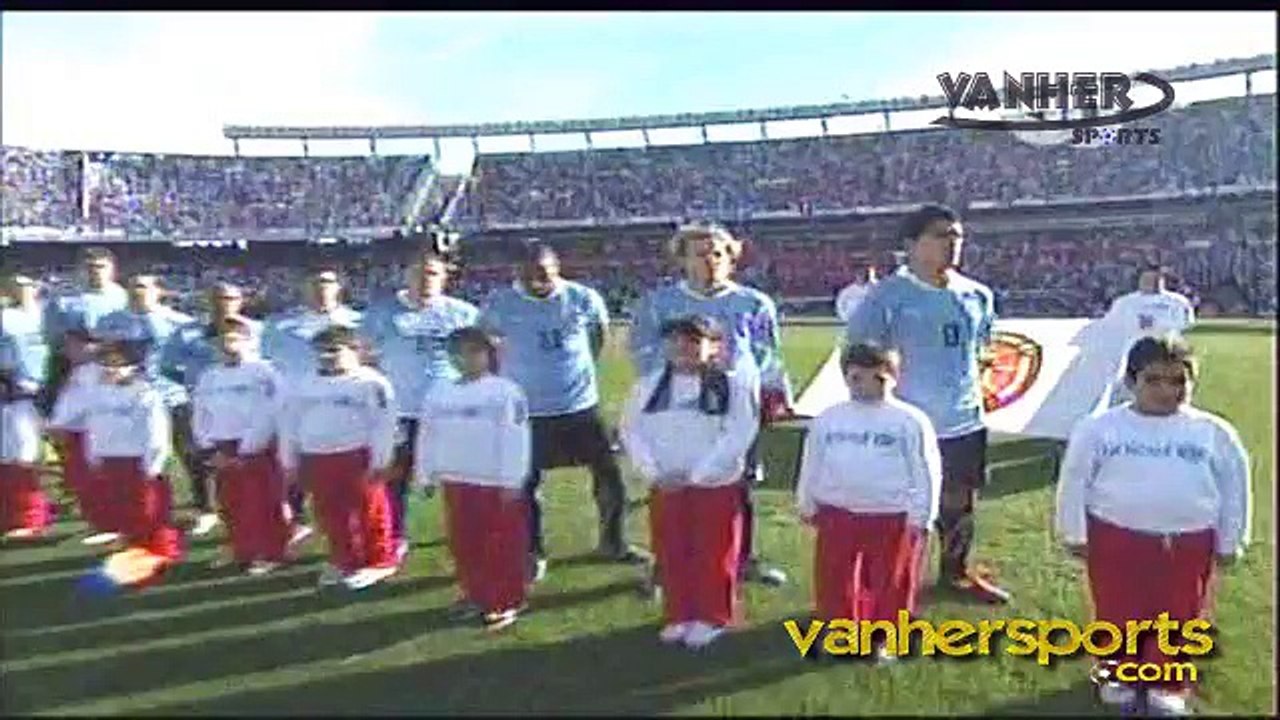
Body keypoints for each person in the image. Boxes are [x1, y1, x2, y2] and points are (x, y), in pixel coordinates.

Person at [1055, 336, 1251, 716]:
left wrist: (1232, 539)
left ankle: (1167, 681)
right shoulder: (1099, 428)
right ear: (1131, 381)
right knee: (1117, 607)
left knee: (1180, 610)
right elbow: (1075, 481)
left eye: (1178, 381)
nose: (1167, 391)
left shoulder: (1213, 432)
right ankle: (1119, 674)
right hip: (1115, 536)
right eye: (1154, 380)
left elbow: (1235, 488)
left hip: (1189, 541)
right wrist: (1074, 531)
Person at [845, 203, 1010, 604]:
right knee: (900, 504)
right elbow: (858, 356)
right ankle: (889, 581)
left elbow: (980, 349)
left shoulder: (977, 295)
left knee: (959, 502)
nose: (951, 244)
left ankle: (955, 574)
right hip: (905, 421)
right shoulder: (886, 297)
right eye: (940, 235)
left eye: (956, 236)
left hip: (963, 419)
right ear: (911, 244)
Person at [629, 223, 792, 589]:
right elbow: (641, 350)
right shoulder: (659, 303)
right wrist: (675, 377)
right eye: (700, 254)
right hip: (678, 406)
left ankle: (740, 558)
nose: (709, 261)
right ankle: (667, 562)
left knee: (735, 482)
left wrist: (774, 393)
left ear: (731, 259)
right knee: (672, 483)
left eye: (718, 253)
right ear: (682, 260)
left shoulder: (754, 302)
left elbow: (768, 354)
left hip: (735, 406)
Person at [478, 240, 644, 584]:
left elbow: (597, 337)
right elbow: (485, 344)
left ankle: (613, 541)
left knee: (609, 475)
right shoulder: (499, 303)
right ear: (516, 273)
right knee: (525, 483)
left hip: (579, 406)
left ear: (556, 267)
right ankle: (532, 551)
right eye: (527, 273)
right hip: (528, 411)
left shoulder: (583, 298)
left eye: (543, 272)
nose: (536, 279)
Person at [795, 343, 942, 664]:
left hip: (891, 514)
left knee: (890, 580)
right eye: (857, 377)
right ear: (846, 377)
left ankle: (884, 638)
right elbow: (812, 461)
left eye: (878, 378)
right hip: (837, 512)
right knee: (835, 577)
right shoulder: (829, 418)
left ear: (893, 377)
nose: (867, 385)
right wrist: (807, 500)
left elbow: (926, 470)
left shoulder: (909, 420)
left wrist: (923, 515)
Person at [620, 315, 758, 649]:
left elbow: (739, 433)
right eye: (676, 341)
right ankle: (679, 614)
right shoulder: (648, 386)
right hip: (667, 486)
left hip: (715, 486)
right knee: (671, 551)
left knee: (715, 552)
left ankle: (714, 616)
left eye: (694, 341)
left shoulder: (731, 386)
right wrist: (653, 472)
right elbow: (631, 430)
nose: (683, 347)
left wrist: (699, 474)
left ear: (715, 347)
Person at [361, 247, 479, 566]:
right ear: (406, 276)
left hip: (450, 413)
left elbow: (482, 360)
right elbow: (365, 359)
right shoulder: (382, 314)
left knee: (462, 477)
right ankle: (394, 536)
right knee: (395, 479)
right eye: (418, 273)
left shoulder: (464, 314)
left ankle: (466, 533)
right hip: (401, 412)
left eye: (432, 274)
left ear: (445, 278)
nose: (425, 280)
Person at [415, 326, 531, 632]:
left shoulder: (505, 392)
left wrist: (511, 480)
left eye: (473, 351)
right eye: (457, 352)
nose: (464, 358)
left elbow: (516, 438)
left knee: (501, 544)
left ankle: (505, 600)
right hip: (456, 479)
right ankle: (475, 593)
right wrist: (426, 473)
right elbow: (427, 434)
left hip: (493, 482)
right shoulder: (440, 391)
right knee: (465, 542)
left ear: (489, 354)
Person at [277, 325, 397, 591]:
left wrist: (381, 460)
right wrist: (289, 460)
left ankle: (380, 560)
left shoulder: (371, 382)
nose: (327, 357)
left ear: (354, 350)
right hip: (316, 456)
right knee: (329, 512)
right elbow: (289, 423)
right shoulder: (302, 384)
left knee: (369, 509)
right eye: (321, 351)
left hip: (356, 454)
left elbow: (384, 424)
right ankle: (344, 559)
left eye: (334, 350)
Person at [262, 268, 361, 547]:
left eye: (327, 282)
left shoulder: (358, 322)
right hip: (296, 406)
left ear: (339, 286)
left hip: (343, 407)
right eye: (314, 282)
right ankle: (296, 519)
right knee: (292, 464)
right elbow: (268, 363)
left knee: (341, 467)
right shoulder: (279, 325)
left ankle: (350, 522)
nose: (321, 288)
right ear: (303, 287)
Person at [97, 275, 198, 529]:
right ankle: (144, 507)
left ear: (158, 291)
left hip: (172, 395)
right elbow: (103, 357)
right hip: (129, 399)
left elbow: (190, 358)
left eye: (143, 286)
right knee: (136, 454)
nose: (137, 291)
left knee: (188, 451)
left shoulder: (179, 322)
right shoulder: (109, 322)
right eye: (132, 286)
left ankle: (203, 505)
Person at [164, 281, 263, 538]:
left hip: (246, 406)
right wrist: (193, 384)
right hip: (203, 402)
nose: (223, 303)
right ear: (208, 301)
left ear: (240, 301)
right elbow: (168, 365)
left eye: (229, 298)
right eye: (218, 298)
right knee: (200, 455)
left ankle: (259, 508)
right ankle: (207, 507)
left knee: (250, 458)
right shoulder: (186, 333)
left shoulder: (257, 330)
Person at [192, 317, 288, 575]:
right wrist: (207, 445)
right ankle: (241, 548)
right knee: (231, 502)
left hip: (257, 446)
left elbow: (272, 410)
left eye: (233, 338)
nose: (227, 345)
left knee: (263, 501)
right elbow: (201, 411)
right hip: (222, 445)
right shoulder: (209, 376)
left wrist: (249, 446)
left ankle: (270, 552)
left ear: (247, 340)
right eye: (220, 340)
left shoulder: (264, 372)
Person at [73, 339, 184, 562]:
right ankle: (132, 546)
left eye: (117, 364)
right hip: (110, 458)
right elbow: (92, 426)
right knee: (121, 507)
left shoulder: (145, 393)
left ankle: (161, 550)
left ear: (132, 366)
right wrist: (93, 454)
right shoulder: (96, 394)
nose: (111, 369)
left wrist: (152, 464)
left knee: (149, 509)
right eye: (106, 363)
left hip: (138, 460)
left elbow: (156, 432)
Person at [47, 329, 120, 545]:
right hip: (77, 433)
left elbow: (87, 403)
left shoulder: (104, 372)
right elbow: (67, 402)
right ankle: (98, 522)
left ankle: (111, 523)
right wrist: (56, 423)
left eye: (75, 345)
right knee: (82, 479)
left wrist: (58, 423)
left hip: (99, 432)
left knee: (99, 478)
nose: (69, 350)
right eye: (68, 346)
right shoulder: (78, 372)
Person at [1101, 265, 1197, 408]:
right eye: (1147, 278)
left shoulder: (1177, 302)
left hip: (1165, 352)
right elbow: (1111, 325)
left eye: (1156, 278)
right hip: (1132, 350)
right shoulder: (1124, 302)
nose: (1151, 282)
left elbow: (1185, 324)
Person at [1, 334, 51, 539]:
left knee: (21, 463)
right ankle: (9, 519)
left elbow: (20, 377)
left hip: (18, 406)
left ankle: (31, 519)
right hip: (9, 406)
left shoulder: (10, 339)